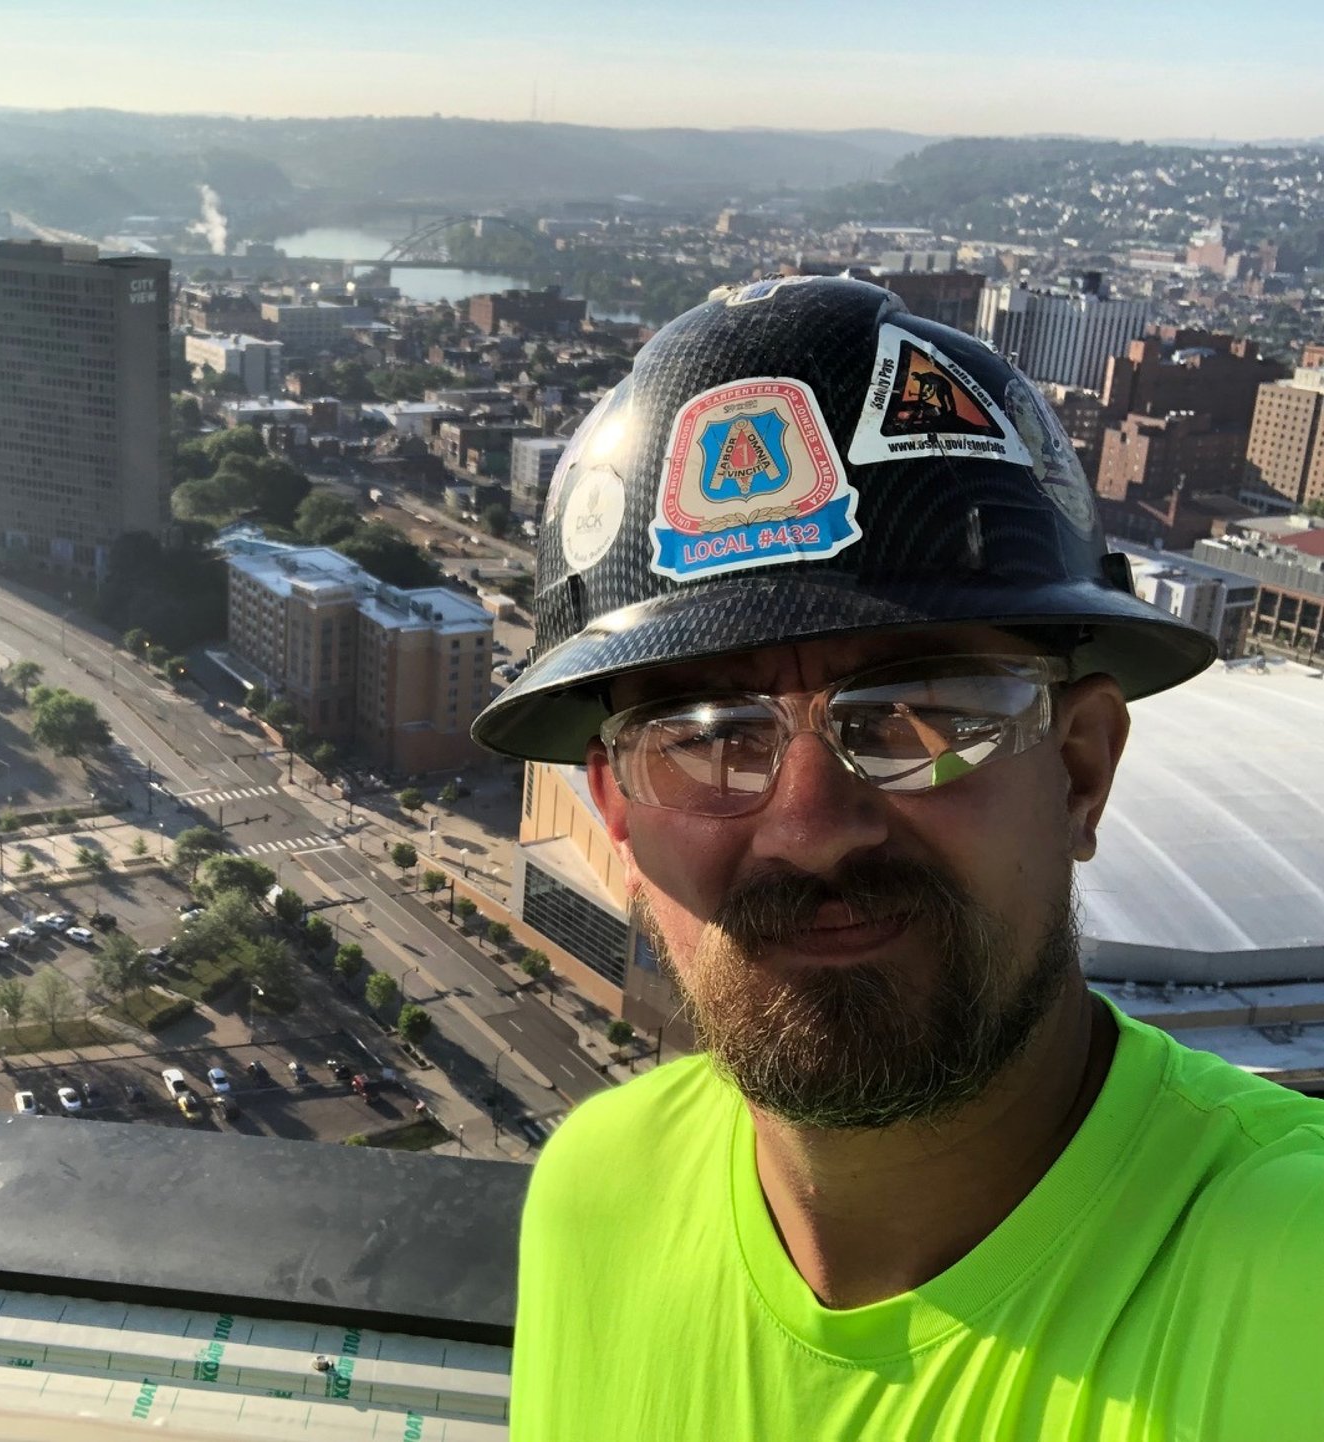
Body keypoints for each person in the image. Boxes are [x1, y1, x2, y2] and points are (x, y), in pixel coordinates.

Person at [471, 277, 1324, 1440]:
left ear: (1080, 770)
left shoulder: (1290, 1272)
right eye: (707, 741)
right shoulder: (593, 1194)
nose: (814, 824)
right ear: (617, 814)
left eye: (925, 712)